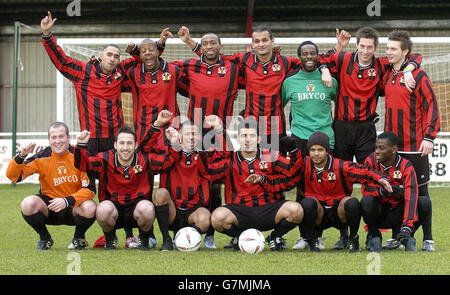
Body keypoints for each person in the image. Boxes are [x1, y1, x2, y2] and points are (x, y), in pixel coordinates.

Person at [40, 11, 165, 247]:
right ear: (100, 56)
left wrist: (150, 47)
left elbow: (148, 59)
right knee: (86, 187)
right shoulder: (83, 72)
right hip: (92, 141)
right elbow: (62, 61)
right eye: (110, 54)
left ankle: (127, 234)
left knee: (120, 187)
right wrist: (47, 35)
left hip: (115, 142)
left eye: (117, 56)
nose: (114, 59)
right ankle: (80, 236)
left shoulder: (120, 73)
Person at [319, 27, 423, 249]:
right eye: (362, 46)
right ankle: (345, 235)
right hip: (342, 128)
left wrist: (409, 69)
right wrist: (326, 69)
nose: (365, 51)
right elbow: (320, 58)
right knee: (342, 180)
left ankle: (374, 233)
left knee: (373, 178)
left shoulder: (381, 65)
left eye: (370, 47)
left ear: (376, 49)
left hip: (366, 129)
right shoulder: (343, 58)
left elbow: (414, 55)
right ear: (356, 45)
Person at [181, 26, 343, 150]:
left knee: (272, 170)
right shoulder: (244, 59)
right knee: (249, 169)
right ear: (252, 44)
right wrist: (189, 41)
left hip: (275, 124)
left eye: (265, 40)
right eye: (257, 41)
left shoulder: (285, 62)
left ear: (272, 42)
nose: (261, 44)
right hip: (251, 125)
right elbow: (214, 56)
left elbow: (311, 59)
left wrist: (325, 67)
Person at [74, 111, 176, 250]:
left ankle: (144, 239)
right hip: (114, 210)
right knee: (103, 210)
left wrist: (173, 143)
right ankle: (110, 239)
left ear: (135, 145)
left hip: (137, 210)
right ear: (115, 145)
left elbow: (168, 162)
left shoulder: (145, 159)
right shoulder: (104, 158)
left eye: (129, 143)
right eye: (121, 143)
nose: (125, 148)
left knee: (147, 208)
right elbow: (82, 165)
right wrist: (80, 145)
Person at [200, 117, 305, 251]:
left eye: (252, 135)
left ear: (259, 139)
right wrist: (211, 141)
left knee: (296, 210)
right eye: (244, 135)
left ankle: (275, 236)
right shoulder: (230, 160)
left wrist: (294, 153)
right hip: (240, 212)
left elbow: (292, 175)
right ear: (238, 139)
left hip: (269, 210)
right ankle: (240, 237)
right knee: (217, 218)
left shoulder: (270, 156)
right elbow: (209, 172)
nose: (248, 139)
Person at [382, 30, 440, 252]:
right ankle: (400, 235)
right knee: (397, 193)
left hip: (415, 147)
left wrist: (429, 137)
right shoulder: (387, 73)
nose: (388, 52)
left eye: (393, 49)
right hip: (393, 149)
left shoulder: (418, 76)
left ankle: (428, 238)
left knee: (421, 193)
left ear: (404, 51)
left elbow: (433, 106)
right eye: (387, 48)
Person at [280, 41, 339, 250]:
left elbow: (340, 106)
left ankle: (319, 236)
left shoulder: (330, 80)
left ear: (317, 56)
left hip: (325, 140)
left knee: (323, 188)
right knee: (302, 188)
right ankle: (304, 236)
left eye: (312, 53)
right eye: (304, 54)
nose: (309, 57)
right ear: (300, 57)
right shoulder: (290, 82)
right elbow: (281, 107)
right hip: (300, 140)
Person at [6, 122, 97, 250]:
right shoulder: (42, 156)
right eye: (54, 137)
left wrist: (67, 200)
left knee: (90, 207)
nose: (57, 141)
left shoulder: (80, 155)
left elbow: (90, 190)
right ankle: (45, 238)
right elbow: (14, 176)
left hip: (73, 206)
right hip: (50, 207)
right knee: (27, 203)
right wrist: (21, 155)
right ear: (49, 140)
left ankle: (78, 238)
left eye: (61, 136)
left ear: (68, 138)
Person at [299, 131, 392, 253]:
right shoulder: (303, 164)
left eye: (320, 150)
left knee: (352, 202)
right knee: (306, 203)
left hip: (339, 213)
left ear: (327, 151)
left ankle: (353, 239)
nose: (316, 154)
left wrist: (381, 178)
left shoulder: (341, 166)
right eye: (313, 150)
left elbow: (364, 170)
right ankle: (312, 240)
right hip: (318, 214)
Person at [153, 115, 224, 251]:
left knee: (205, 219)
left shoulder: (205, 156)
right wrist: (158, 126)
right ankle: (167, 240)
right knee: (160, 193)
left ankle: (186, 238)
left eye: (194, 134)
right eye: (187, 134)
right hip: (173, 211)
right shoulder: (170, 153)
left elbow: (225, 153)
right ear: (180, 136)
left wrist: (219, 129)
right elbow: (149, 149)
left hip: (194, 211)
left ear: (199, 137)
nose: (191, 138)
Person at [361, 131, 430, 252]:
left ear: (393, 149)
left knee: (424, 202)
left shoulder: (406, 166)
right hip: (380, 213)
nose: (377, 151)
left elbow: (411, 196)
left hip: (399, 213)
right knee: (366, 201)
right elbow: (366, 189)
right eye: (376, 147)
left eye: (381, 148)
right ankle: (374, 235)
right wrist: (382, 192)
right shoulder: (370, 161)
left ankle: (406, 235)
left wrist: (408, 226)